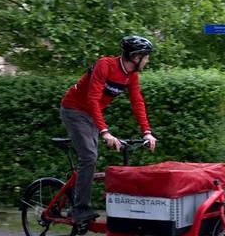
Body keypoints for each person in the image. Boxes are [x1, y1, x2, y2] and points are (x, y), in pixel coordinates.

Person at [60, 35, 157, 224]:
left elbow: (137, 102)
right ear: (135, 56)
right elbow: (92, 99)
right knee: (89, 157)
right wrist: (105, 131)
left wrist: (147, 131)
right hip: (74, 110)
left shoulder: (131, 76)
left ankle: (77, 193)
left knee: (92, 158)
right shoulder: (105, 65)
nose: (147, 60)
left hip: (91, 114)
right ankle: (79, 210)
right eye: (145, 56)